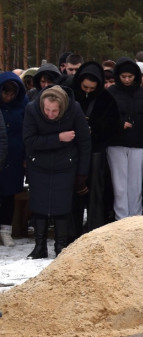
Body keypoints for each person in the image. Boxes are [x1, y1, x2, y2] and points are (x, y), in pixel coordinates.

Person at [23, 85, 91, 258]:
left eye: (55, 111)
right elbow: (30, 140)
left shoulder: (74, 109)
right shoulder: (32, 109)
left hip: (65, 165)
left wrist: (82, 172)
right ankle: (40, 246)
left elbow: (84, 141)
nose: (50, 115)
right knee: (39, 206)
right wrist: (58, 138)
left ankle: (60, 246)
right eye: (47, 110)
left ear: (62, 106)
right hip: (38, 164)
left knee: (62, 205)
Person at [106, 57, 143, 220]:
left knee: (135, 185)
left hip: (139, 143)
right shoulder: (110, 93)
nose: (127, 80)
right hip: (116, 143)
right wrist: (118, 124)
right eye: (123, 77)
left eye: (130, 76)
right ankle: (120, 218)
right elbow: (104, 118)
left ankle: (135, 218)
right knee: (119, 185)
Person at [71, 61, 120, 232]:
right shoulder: (70, 92)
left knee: (95, 194)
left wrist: (95, 131)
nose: (88, 91)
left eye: (92, 88)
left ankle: (94, 228)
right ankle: (71, 231)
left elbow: (113, 125)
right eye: (85, 87)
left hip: (95, 152)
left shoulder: (106, 99)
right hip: (72, 150)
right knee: (72, 193)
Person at [0, 73, 27, 247]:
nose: (9, 97)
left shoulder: (23, 105)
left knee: (8, 195)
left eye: (12, 94)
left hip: (15, 154)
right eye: (5, 93)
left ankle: (6, 231)